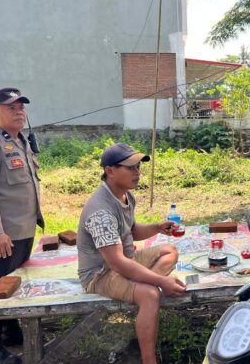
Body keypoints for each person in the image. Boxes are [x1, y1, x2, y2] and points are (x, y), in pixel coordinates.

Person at [77, 143, 186, 364]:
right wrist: (161, 282)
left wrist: (157, 227)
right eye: (130, 168)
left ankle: (145, 283)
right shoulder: (101, 211)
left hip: (123, 261)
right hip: (101, 274)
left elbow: (132, 231)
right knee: (150, 295)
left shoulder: (125, 195)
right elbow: (116, 263)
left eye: (138, 167)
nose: (137, 172)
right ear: (110, 171)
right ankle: (149, 360)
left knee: (169, 251)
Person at [0, 87, 45, 364]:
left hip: (22, 233)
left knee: (14, 284)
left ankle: (9, 331)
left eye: (21, 107)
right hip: (1, 237)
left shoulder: (20, 142)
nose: (18, 112)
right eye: (10, 108)